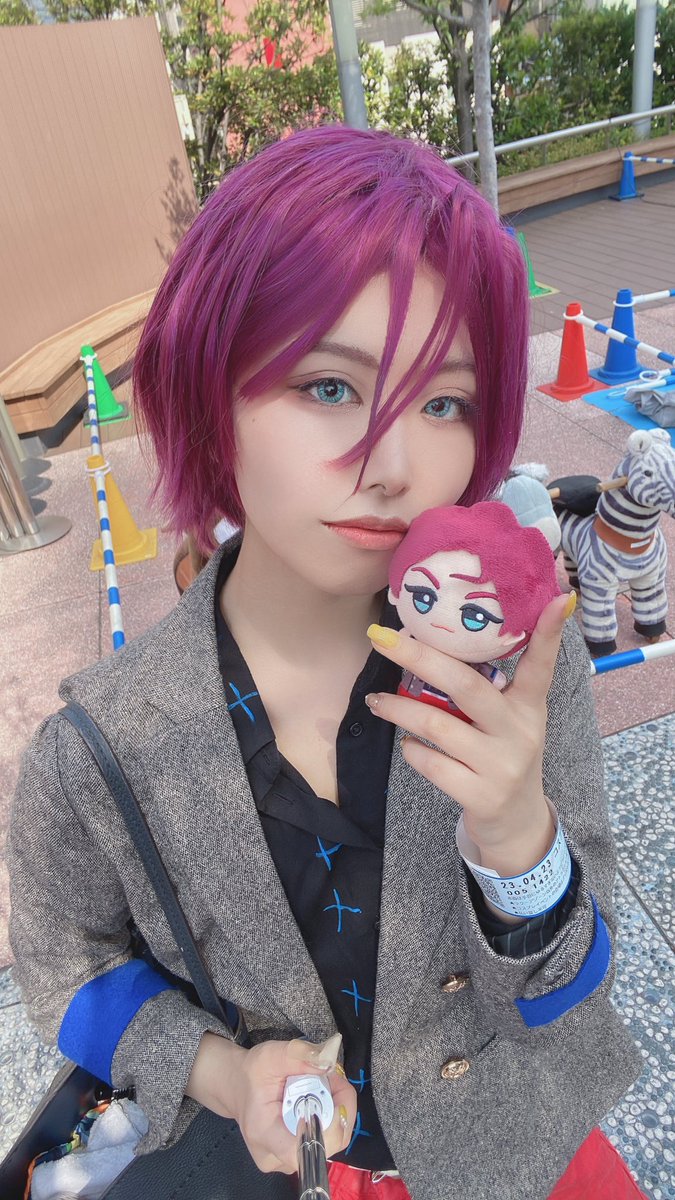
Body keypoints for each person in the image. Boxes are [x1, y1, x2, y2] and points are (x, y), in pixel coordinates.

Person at [8, 126, 643, 1200]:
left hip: (524, 1160)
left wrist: (518, 843)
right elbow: (65, 965)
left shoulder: (511, 668)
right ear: (211, 395)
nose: (395, 466)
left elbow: (567, 999)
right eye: (330, 388)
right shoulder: (102, 747)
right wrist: (220, 1072)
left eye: (443, 403)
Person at [387, 500, 561, 719]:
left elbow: (497, 680)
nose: (443, 620)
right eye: (423, 597)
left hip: (455, 710)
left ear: (512, 634)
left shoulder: (559, 658)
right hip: (412, 694)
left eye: (476, 617)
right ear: (395, 591)